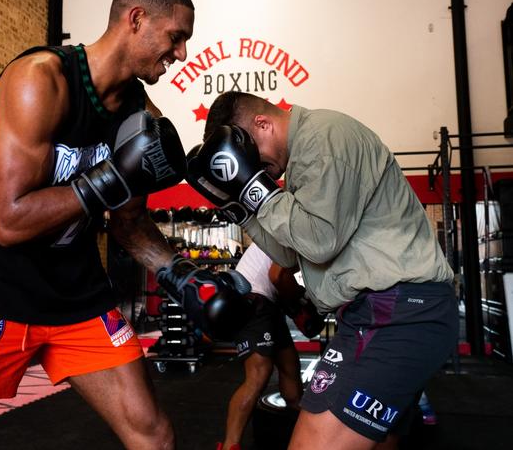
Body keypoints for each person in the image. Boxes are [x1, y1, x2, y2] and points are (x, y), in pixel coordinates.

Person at [0, 0, 252, 450]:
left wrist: (183, 277)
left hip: (78, 297)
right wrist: (110, 176)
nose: (181, 54)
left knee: (154, 436)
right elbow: (9, 222)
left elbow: (129, 224)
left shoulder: (137, 112)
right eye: (176, 37)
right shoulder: (40, 79)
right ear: (136, 20)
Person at [186, 91, 459, 450]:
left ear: (263, 124)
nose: (254, 172)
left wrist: (255, 189)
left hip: (396, 313)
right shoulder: (303, 158)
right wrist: (238, 206)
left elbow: (319, 242)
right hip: (388, 311)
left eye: (250, 161)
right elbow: (290, 254)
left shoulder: (323, 137)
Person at [218, 243, 303, 450]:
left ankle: (299, 432)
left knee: (290, 367)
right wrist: (299, 301)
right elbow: (277, 275)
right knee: (258, 374)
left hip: (270, 303)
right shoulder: (291, 231)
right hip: (252, 300)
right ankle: (230, 446)